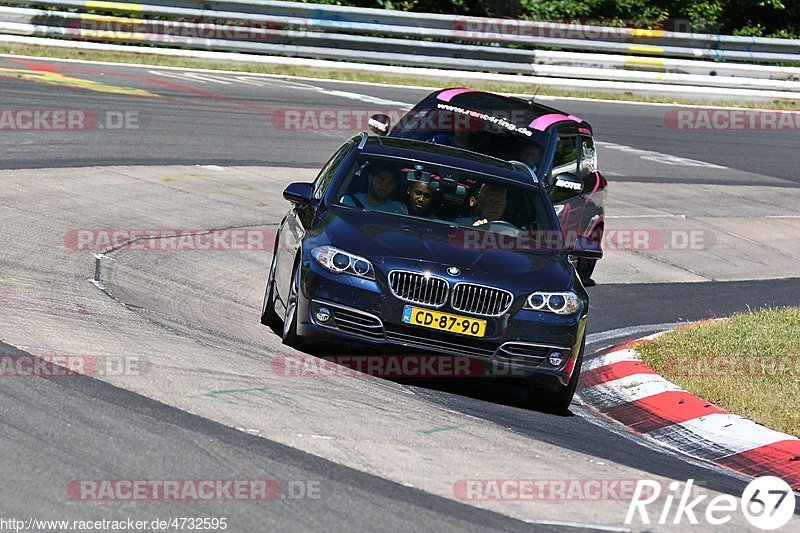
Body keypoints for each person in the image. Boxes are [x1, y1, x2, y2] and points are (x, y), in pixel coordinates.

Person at [342, 165, 407, 214]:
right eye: (380, 180)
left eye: (391, 183)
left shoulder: (399, 210)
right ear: (370, 179)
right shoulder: (348, 202)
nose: (384, 187)